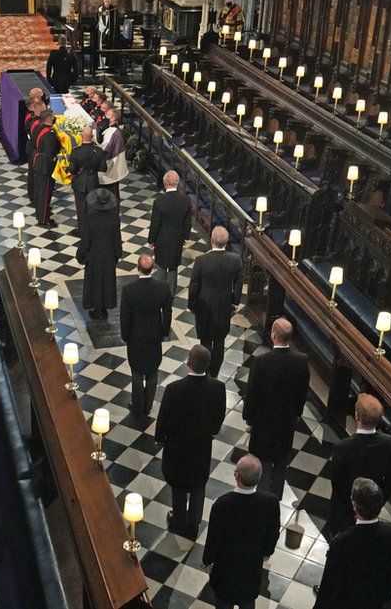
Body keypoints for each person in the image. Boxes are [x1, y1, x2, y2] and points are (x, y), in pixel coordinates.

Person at [156, 344, 225, 537]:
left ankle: (179, 521)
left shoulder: (174, 389)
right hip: (201, 446)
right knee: (198, 483)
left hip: (177, 447)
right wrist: (212, 432)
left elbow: (164, 418)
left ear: (188, 362)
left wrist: (159, 439)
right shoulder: (218, 388)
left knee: (178, 485)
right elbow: (219, 415)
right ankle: (194, 524)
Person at [243, 318, 310, 500]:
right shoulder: (301, 361)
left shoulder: (261, 362)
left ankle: (263, 499)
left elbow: (252, 394)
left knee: (262, 462)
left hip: (263, 425)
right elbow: (302, 393)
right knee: (280, 462)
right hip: (286, 424)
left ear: (273, 335)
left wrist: (248, 417)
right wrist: (296, 414)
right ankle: (274, 499)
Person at [313, 478, 391, 609]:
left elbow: (329, 586)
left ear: (354, 504)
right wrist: (383, 598)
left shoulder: (341, 543)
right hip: (374, 601)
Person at [203, 454, 280, 609]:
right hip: (251, 570)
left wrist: (207, 560)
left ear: (236, 475)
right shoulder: (270, 502)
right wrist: (266, 551)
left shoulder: (222, 505)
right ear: (259, 477)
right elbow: (273, 532)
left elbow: (214, 538)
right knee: (248, 602)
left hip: (225, 571)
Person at [326, 393, 391, 538]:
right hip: (371, 512)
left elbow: (337, 483)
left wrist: (353, 507)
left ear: (357, 416)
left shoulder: (343, 447)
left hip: (343, 512)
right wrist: (375, 502)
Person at [121, 254, 173, 415]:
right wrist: (164, 332)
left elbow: (125, 316)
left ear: (138, 268)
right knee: (152, 370)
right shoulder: (163, 288)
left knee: (136, 371)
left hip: (135, 336)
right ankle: (148, 406)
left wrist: (125, 335)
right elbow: (167, 312)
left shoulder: (129, 290)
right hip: (154, 336)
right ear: (153, 269)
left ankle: (137, 406)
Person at [189, 227, 243, 378]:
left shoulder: (201, 261)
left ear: (211, 240)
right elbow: (239, 282)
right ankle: (215, 374)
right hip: (223, 307)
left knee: (205, 341)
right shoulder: (235, 259)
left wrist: (192, 305)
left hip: (204, 307)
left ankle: (204, 372)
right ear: (227, 242)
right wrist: (235, 302)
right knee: (219, 342)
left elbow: (194, 285)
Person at [76, 188, 122, 319]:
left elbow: (86, 241)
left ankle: (96, 309)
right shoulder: (114, 218)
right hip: (108, 255)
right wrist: (118, 254)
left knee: (94, 282)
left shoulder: (89, 219)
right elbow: (117, 238)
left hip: (94, 255)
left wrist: (81, 255)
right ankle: (104, 309)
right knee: (107, 281)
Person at [148, 170, 191, 295]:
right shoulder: (186, 200)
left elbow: (155, 224)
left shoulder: (159, 202)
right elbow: (187, 222)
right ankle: (171, 294)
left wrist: (151, 240)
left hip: (161, 240)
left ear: (164, 182)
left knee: (161, 266)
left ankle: (161, 293)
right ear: (177, 183)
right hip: (177, 239)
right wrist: (185, 238)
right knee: (173, 267)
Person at [67, 126, 106, 230]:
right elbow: (103, 168)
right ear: (92, 136)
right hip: (93, 182)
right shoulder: (98, 151)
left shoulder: (76, 151)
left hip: (79, 183)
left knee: (80, 207)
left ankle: (81, 227)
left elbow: (72, 169)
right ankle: (91, 227)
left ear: (81, 136)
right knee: (92, 206)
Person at [32, 110, 60, 227]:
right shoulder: (50, 134)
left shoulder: (39, 127)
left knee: (40, 191)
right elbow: (50, 152)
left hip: (38, 161)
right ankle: (44, 219)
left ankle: (40, 214)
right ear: (49, 119)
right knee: (45, 193)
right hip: (45, 166)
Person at [99, 108, 128, 200]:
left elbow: (105, 149)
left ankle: (114, 213)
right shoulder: (111, 130)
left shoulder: (113, 132)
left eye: (108, 116)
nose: (105, 118)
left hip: (113, 168)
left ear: (114, 120)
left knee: (112, 195)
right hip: (113, 167)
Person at [24, 97, 48, 203]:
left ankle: (34, 195)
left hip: (32, 147)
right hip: (34, 149)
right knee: (34, 173)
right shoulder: (36, 122)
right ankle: (34, 197)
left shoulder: (35, 119)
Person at [96, 0, 119, 70]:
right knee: (102, 47)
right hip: (102, 32)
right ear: (103, 1)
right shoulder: (100, 9)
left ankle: (110, 63)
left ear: (110, 1)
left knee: (109, 47)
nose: (107, 3)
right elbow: (99, 22)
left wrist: (110, 30)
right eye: (106, 1)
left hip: (111, 34)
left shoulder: (114, 10)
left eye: (108, 1)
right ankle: (101, 64)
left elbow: (116, 23)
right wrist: (105, 30)